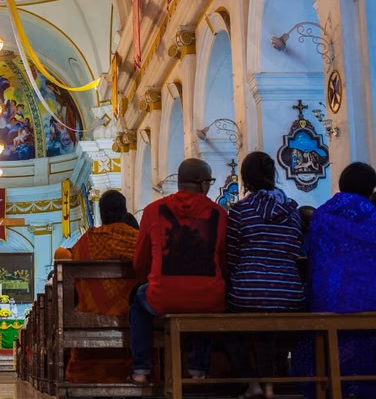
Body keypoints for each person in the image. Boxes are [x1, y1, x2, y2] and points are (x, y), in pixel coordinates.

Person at [131, 159, 227, 384]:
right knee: (208, 298)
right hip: (208, 297)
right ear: (203, 185)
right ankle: (198, 369)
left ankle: (141, 369)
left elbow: (140, 261)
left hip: (163, 296)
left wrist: (151, 277)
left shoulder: (153, 210)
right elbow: (223, 258)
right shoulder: (219, 213)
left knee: (138, 301)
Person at [225, 152, 305, 399]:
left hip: (247, 293)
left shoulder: (240, 211)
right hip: (289, 293)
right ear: (273, 175)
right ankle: (270, 383)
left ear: (245, 180)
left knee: (225, 326)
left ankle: (253, 383)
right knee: (268, 320)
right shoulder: (293, 211)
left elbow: (231, 255)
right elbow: (295, 248)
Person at [294, 163, 376, 398]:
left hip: (328, 299)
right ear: (371, 188)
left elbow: (316, 254)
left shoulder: (321, 215)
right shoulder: (372, 216)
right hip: (370, 299)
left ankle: (327, 387)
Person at [57, 190, 139, 384]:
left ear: (101, 213)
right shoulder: (137, 239)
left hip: (90, 314)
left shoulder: (85, 242)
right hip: (130, 317)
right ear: (124, 211)